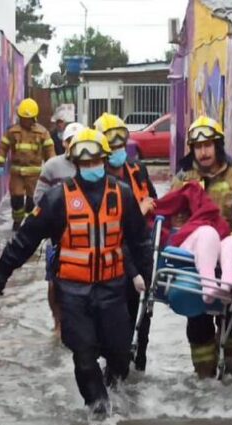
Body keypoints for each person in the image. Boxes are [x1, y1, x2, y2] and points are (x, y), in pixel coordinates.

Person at [0, 128, 152, 418]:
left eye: (95, 162)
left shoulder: (122, 195)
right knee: (84, 355)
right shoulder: (57, 199)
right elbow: (27, 238)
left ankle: (112, 391)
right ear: (75, 163)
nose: (91, 168)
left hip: (113, 289)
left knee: (120, 355)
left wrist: (147, 278)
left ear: (103, 160)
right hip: (74, 292)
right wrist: (2, 271)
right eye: (84, 163)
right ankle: (99, 414)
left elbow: (140, 240)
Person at [171, 116, 232, 378]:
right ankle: (204, 380)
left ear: (218, 145)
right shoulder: (184, 179)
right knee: (198, 319)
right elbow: (175, 223)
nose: (203, 151)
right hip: (195, 262)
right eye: (197, 146)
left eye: (208, 145)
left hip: (228, 259)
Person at [94, 113, 157, 371]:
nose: (119, 149)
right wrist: (138, 211)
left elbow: (152, 198)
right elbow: (110, 224)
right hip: (116, 260)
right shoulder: (97, 181)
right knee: (118, 322)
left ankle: (139, 361)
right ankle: (115, 370)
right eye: (113, 144)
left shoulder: (137, 169)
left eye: (122, 143)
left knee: (144, 315)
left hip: (142, 252)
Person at [34, 122, 85, 337]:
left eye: (79, 141)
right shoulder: (52, 166)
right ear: (64, 142)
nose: (74, 146)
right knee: (54, 282)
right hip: (58, 236)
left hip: (86, 235)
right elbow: (38, 198)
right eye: (70, 141)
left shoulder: (93, 165)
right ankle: (58, 323)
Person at [0, 98, 56, 231]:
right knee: (16, 199)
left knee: (31, 201)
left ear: (34, 118)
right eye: (23, 118)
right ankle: (17, 222)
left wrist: (53, 168)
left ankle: (29, 224)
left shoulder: (42, 132)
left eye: (27, 118)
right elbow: (3, 147)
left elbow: (50, 151)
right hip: (17, 173)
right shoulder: (13, 132)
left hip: (34, 175)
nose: (25, 121)